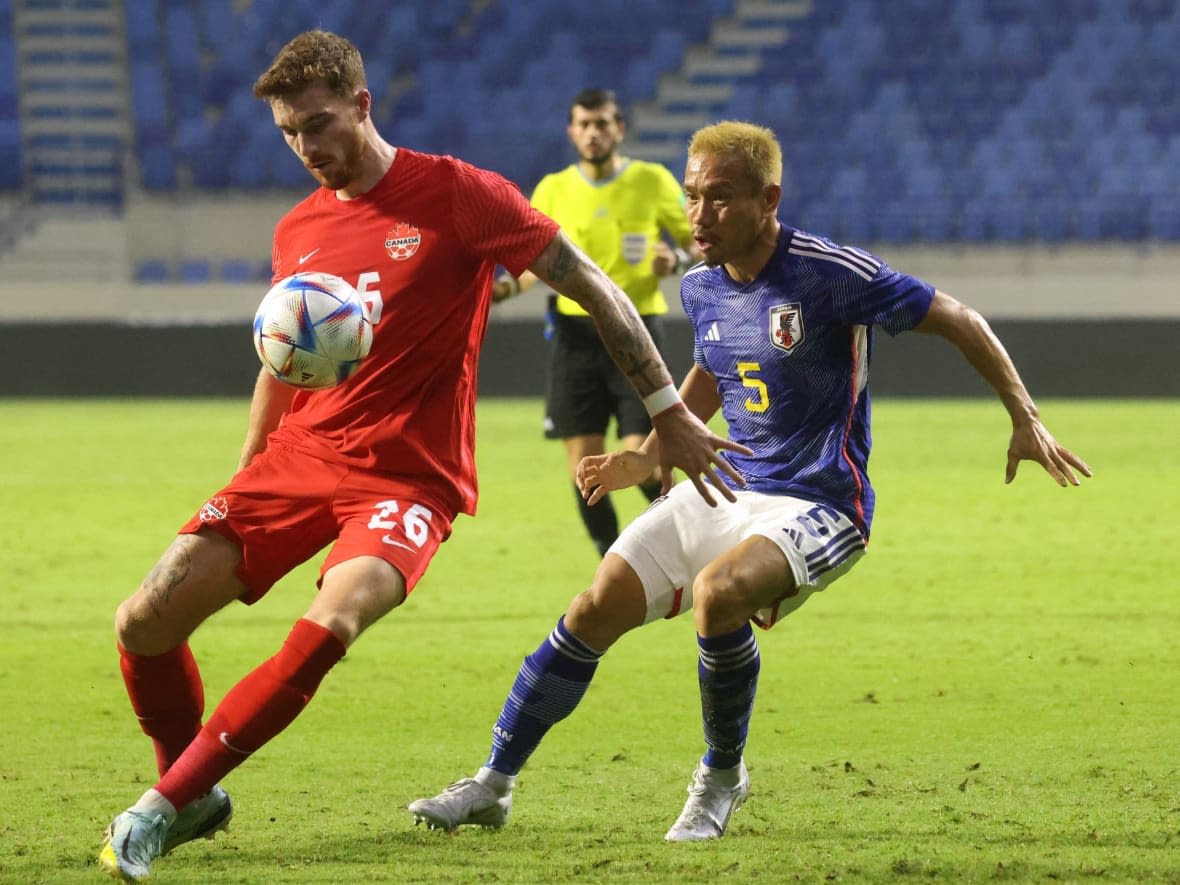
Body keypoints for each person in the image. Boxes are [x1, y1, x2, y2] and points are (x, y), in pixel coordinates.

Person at [98, 32, 744, 882]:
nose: (307, 148)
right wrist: (249, 468)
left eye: (320, 124)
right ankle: (191, 792)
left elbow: (596, 284)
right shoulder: (297, 230)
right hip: (299, 459)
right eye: (290, 133)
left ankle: (153, 812)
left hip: (407, 477)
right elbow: (282, 358)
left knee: (330, 623)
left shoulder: (457, 194)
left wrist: (669, 412)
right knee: (141, 623)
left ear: (363, 106)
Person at [408, 120, 1092, 841]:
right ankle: (493, 782)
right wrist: (646, 454)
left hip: (821, 501)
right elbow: (714, 366)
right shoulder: (701, 285)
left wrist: (1024, 414)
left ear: (770, 199)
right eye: (694, 196)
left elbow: (957, 315)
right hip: (730, 482)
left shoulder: (831, 274)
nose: (699, 215)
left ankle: (722, 775)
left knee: (719, 594)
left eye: (721, 198)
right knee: (591, 607)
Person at [493, 88, 702, 557]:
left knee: (644, 465)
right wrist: (503, 289)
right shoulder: (553, 189)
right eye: (584, 125)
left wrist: (677, 259)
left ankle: (690, 544)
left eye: (602, 124)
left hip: (636, 329)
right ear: (572, 131)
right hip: (575, 336)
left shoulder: (651, 180)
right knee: (585, 470)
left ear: (619, 129)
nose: (593, 133)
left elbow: (698, 241)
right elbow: (535, 263)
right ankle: (615, 563)